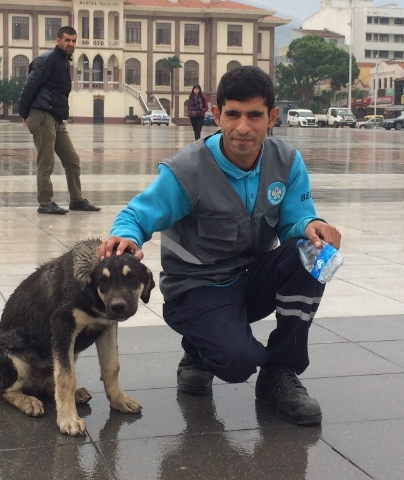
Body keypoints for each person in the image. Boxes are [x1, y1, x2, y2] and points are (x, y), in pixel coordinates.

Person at [98, 66, 341, 426]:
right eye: (233, 114)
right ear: (216, 115)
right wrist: (126, 236)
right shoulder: (188, 170)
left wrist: (313, 226)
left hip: (248, 279)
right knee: (237, 362)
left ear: (272, 117)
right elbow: (137, 215)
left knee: (313, 253)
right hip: (197, 288)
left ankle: (280, 374)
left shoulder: (286, 162)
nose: (243, 127)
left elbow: (295, 222)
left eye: (255, 115)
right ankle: (197, 350)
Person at [18, 26, 100, 215]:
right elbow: (29, 86)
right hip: (42, 114)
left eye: (73, 40)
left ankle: (77, 200)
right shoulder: (47, 60)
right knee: (46, 161)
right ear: (58, 40)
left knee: (72, 160)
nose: (71, 44)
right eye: (67, 40)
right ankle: (45, 202)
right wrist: (24, 113)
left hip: (56, 117)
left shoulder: (63, 61)